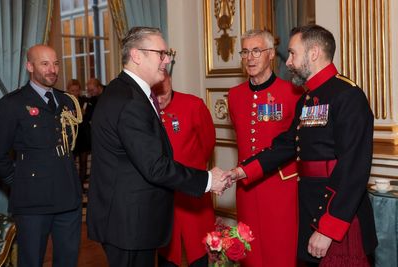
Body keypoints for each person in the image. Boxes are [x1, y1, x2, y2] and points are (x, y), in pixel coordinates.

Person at [229, 25, 378, 266]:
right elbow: (287, 145)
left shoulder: (348, 96)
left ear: (314, 53)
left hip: (337, 214)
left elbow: (353, 170)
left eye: (293, 54)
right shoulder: (308, 98)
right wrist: (243, 171)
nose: (288, 62)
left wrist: (328, 228)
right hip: (309, 209)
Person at [86, 26, 228, 267]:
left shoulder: (123, 91)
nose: (168, 59)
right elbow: (155, 166)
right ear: (136, 55)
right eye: (161, 53)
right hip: (128, 224)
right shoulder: (130, 101)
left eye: (168, 53)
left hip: (127, 220)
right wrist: (207, 180)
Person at [0, 45, 83, 267]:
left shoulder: (66, 101)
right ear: (30, 66)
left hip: (68, 198)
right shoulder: (12, 104)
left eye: (55, 63)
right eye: (45, 64)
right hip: (32, 201)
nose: (52, 69)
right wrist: (16, 182)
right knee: (31, 262)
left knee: (68, 261)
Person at [227, 29, 302, 267]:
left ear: (270, 54)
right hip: (246, 189)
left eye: (256, 51)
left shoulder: (292, 92)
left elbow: (295, 143)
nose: (250, 57)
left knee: (281, 252)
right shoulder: (234, 95)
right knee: (251, 254)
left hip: (281, 189)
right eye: (245, 51)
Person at [152, 71, 216, 267]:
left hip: (192, 192)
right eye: (156, 95)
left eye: (164, 93)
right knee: (166, 250)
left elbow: (208, 144)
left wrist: (193, 171)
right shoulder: (144, 110)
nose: (160, 100)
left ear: (171, 81)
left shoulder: (193, 105)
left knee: (199, 249)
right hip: (162, 194)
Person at [66, 79, 91, 187]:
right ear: (68, 91)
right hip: (72, 137)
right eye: (72, 90)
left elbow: (91, 116)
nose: (75, 93)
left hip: (83, 135)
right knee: (71, 163)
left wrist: (85, 113)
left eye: (77, 90)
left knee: (84, 162)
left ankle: (81, 186)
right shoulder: (65, 102)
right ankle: (74, 186)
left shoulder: (84, 101)